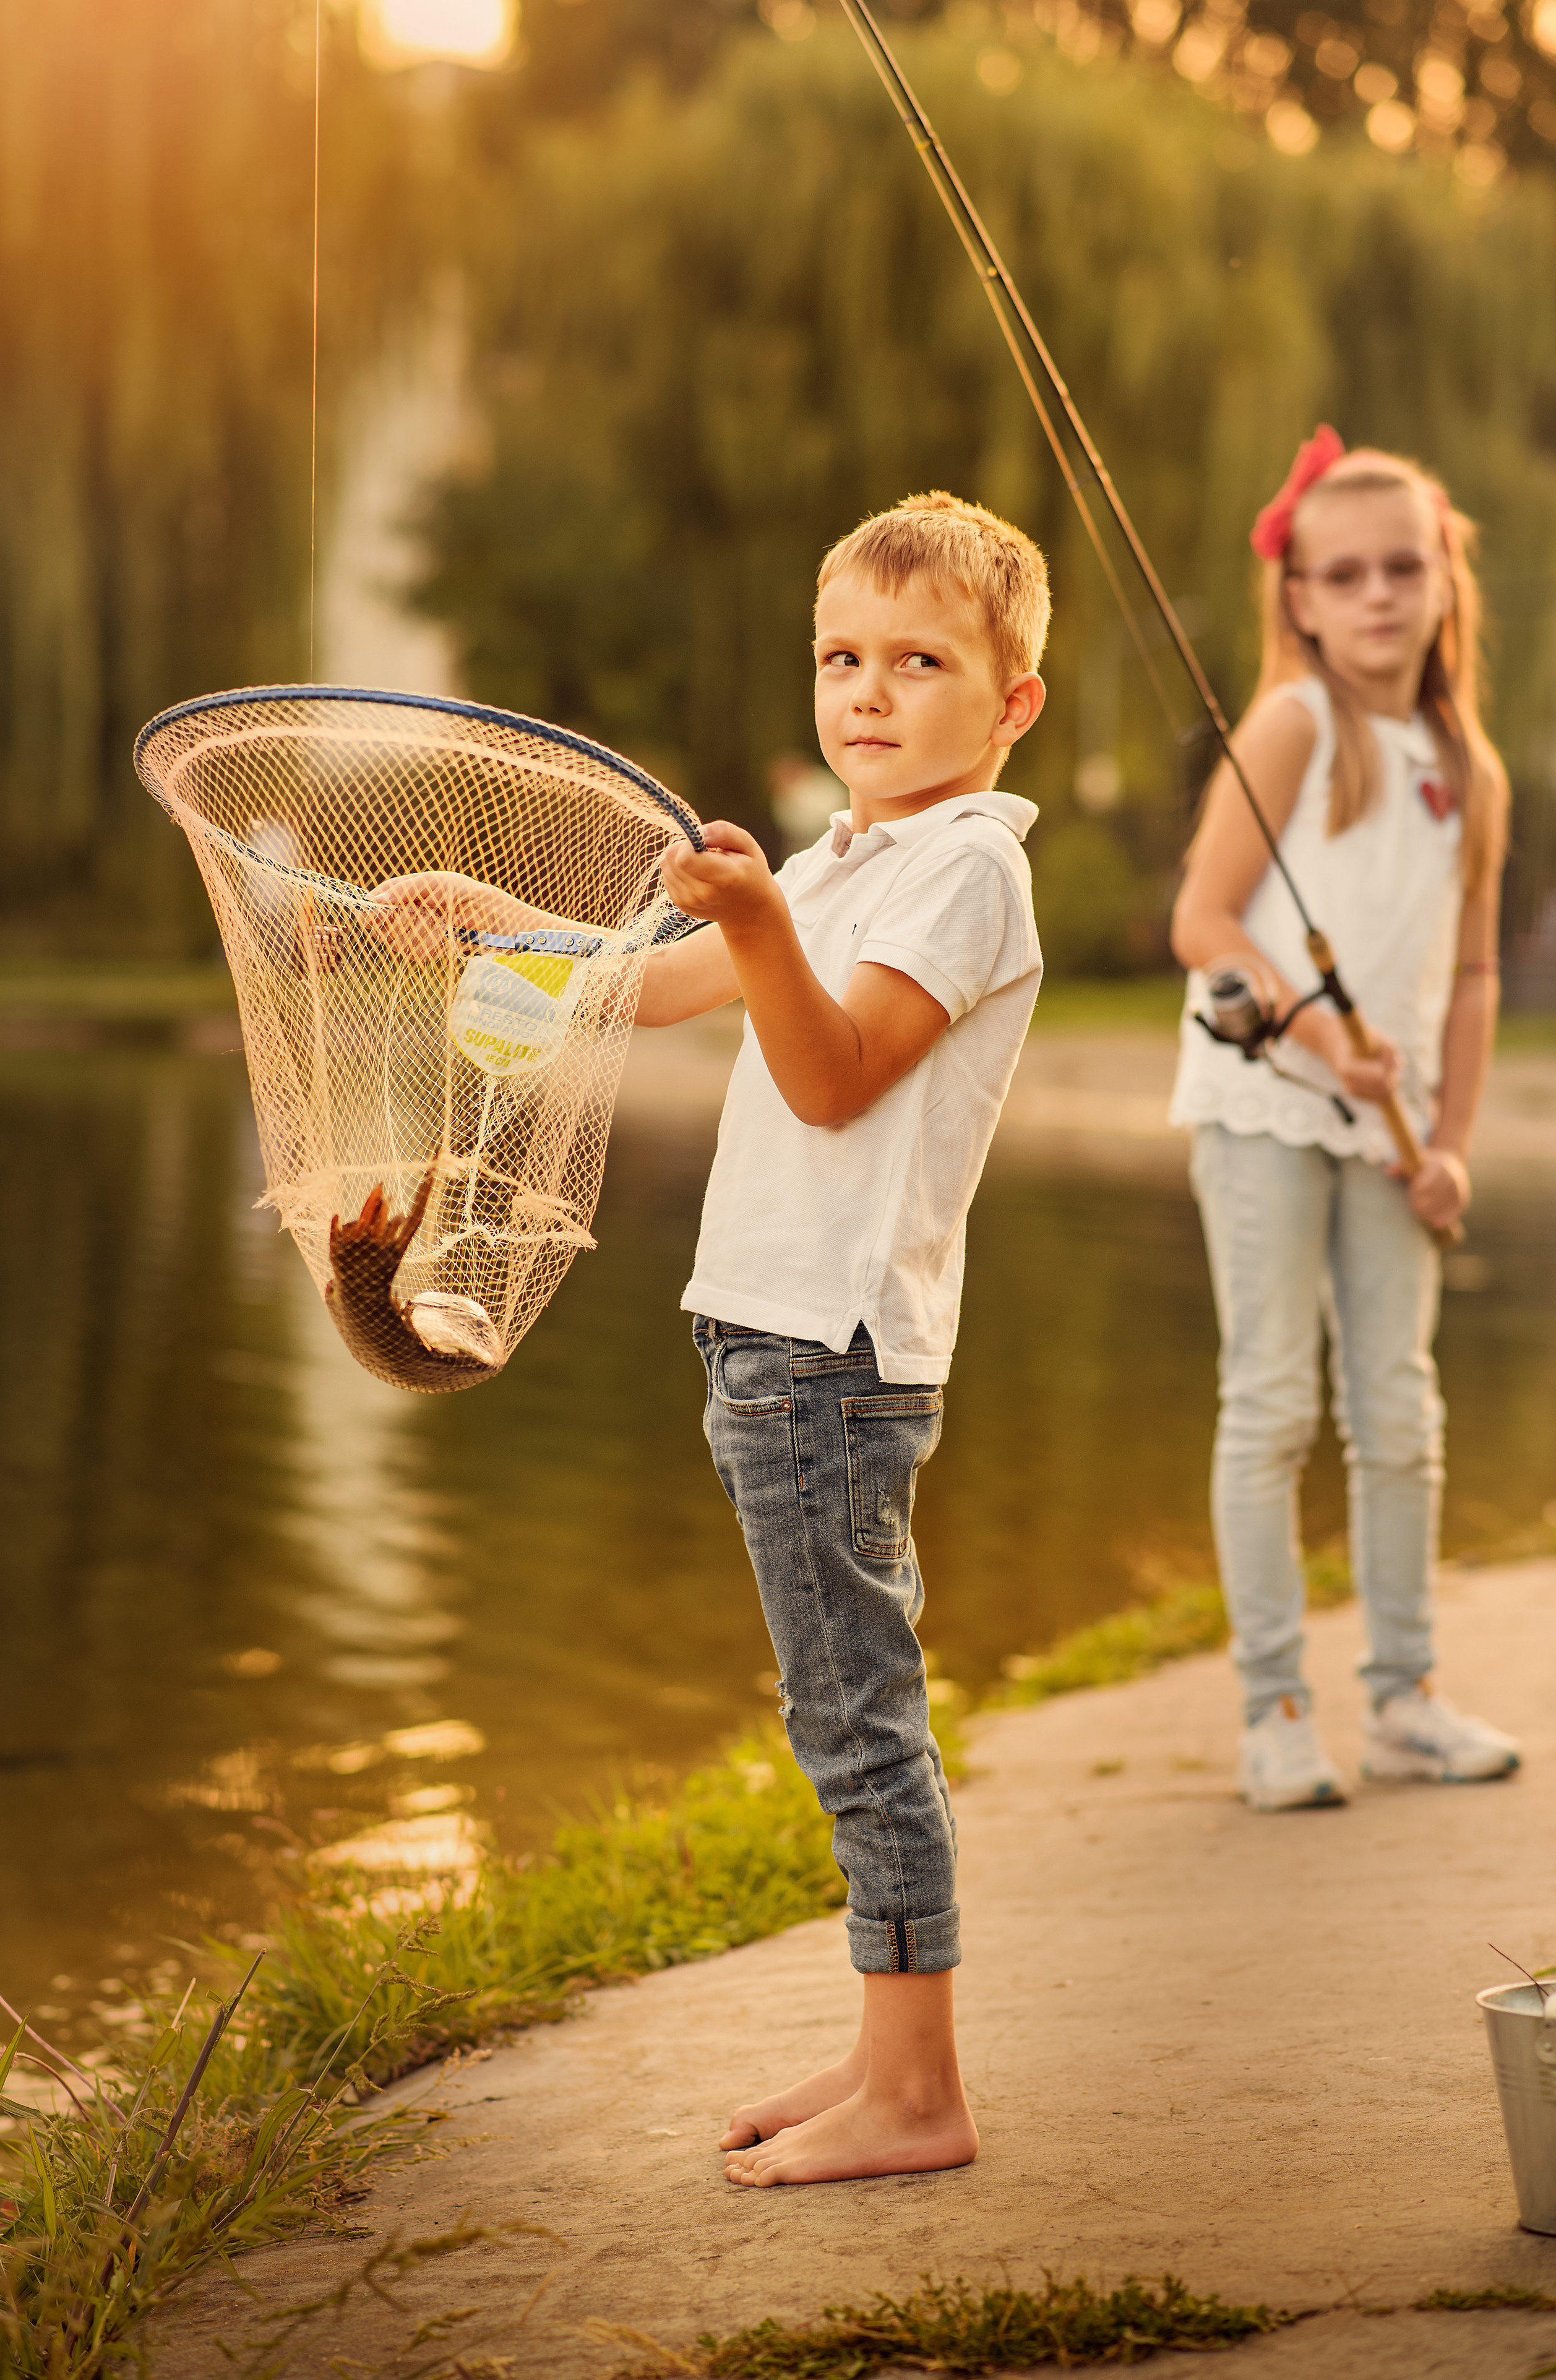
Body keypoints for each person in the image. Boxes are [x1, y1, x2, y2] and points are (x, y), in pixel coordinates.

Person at [634, 491, 1049, 2183]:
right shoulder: (845, 861)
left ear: (1014, 700)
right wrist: (482, 943)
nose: (867, 692)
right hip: (765, 1342)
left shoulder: (967, 870)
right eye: (840, 658)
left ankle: (920, 2094)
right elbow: (648, 990)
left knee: (857, 1720)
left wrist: (753, 926)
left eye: (919, 662)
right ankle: (886, 2051)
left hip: (827, 1357)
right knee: (837, 1707)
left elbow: (827, 1074)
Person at [1169, 428, 1520, 1814]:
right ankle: (1273, 1709)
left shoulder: (1467, 766)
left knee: (1400, 1411)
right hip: (1265, 1107)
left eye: (1402, 569)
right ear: (1300, 598)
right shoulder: (1294, 724)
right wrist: (1320, 1035)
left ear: (1443, 583)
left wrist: (1450, 1145)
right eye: (1346, 574)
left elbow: (1473, 976)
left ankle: (1404, 1698)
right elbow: (1203, 921)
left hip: (1394, 1134)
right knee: (1271, 1401)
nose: (1377, 594)